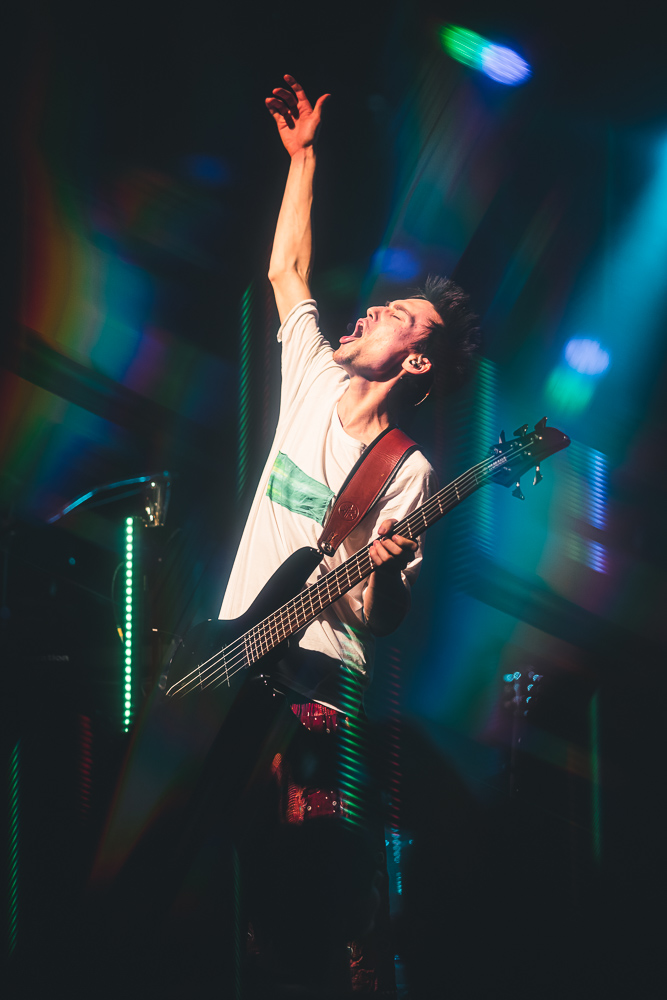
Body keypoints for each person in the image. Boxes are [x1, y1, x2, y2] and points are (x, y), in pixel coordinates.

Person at [216, 76, 479, 997]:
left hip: (321, 683)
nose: (370, 307)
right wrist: (304, 159)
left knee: (311, 899)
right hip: (234, 656)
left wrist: (383, 571)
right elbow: (288, 271)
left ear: (415, 359)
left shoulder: (405, 470)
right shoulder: (312, 381)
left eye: (398, 313)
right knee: (212, 876)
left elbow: (378, 607)